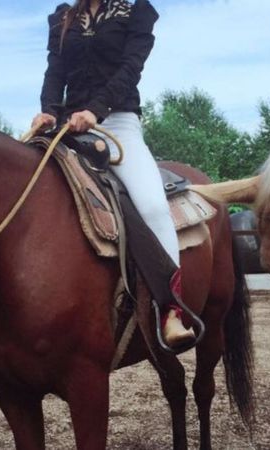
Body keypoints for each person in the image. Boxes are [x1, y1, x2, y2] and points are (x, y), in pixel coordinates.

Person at [31, 0, 195, 349]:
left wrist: (95, 110)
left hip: (117, 124)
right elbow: (54, 71)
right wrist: (46, 111)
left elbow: (130, 68)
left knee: (151, 206)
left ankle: (171, 308)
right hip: (66, 126)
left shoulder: (136, 10)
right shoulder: (63, 16)